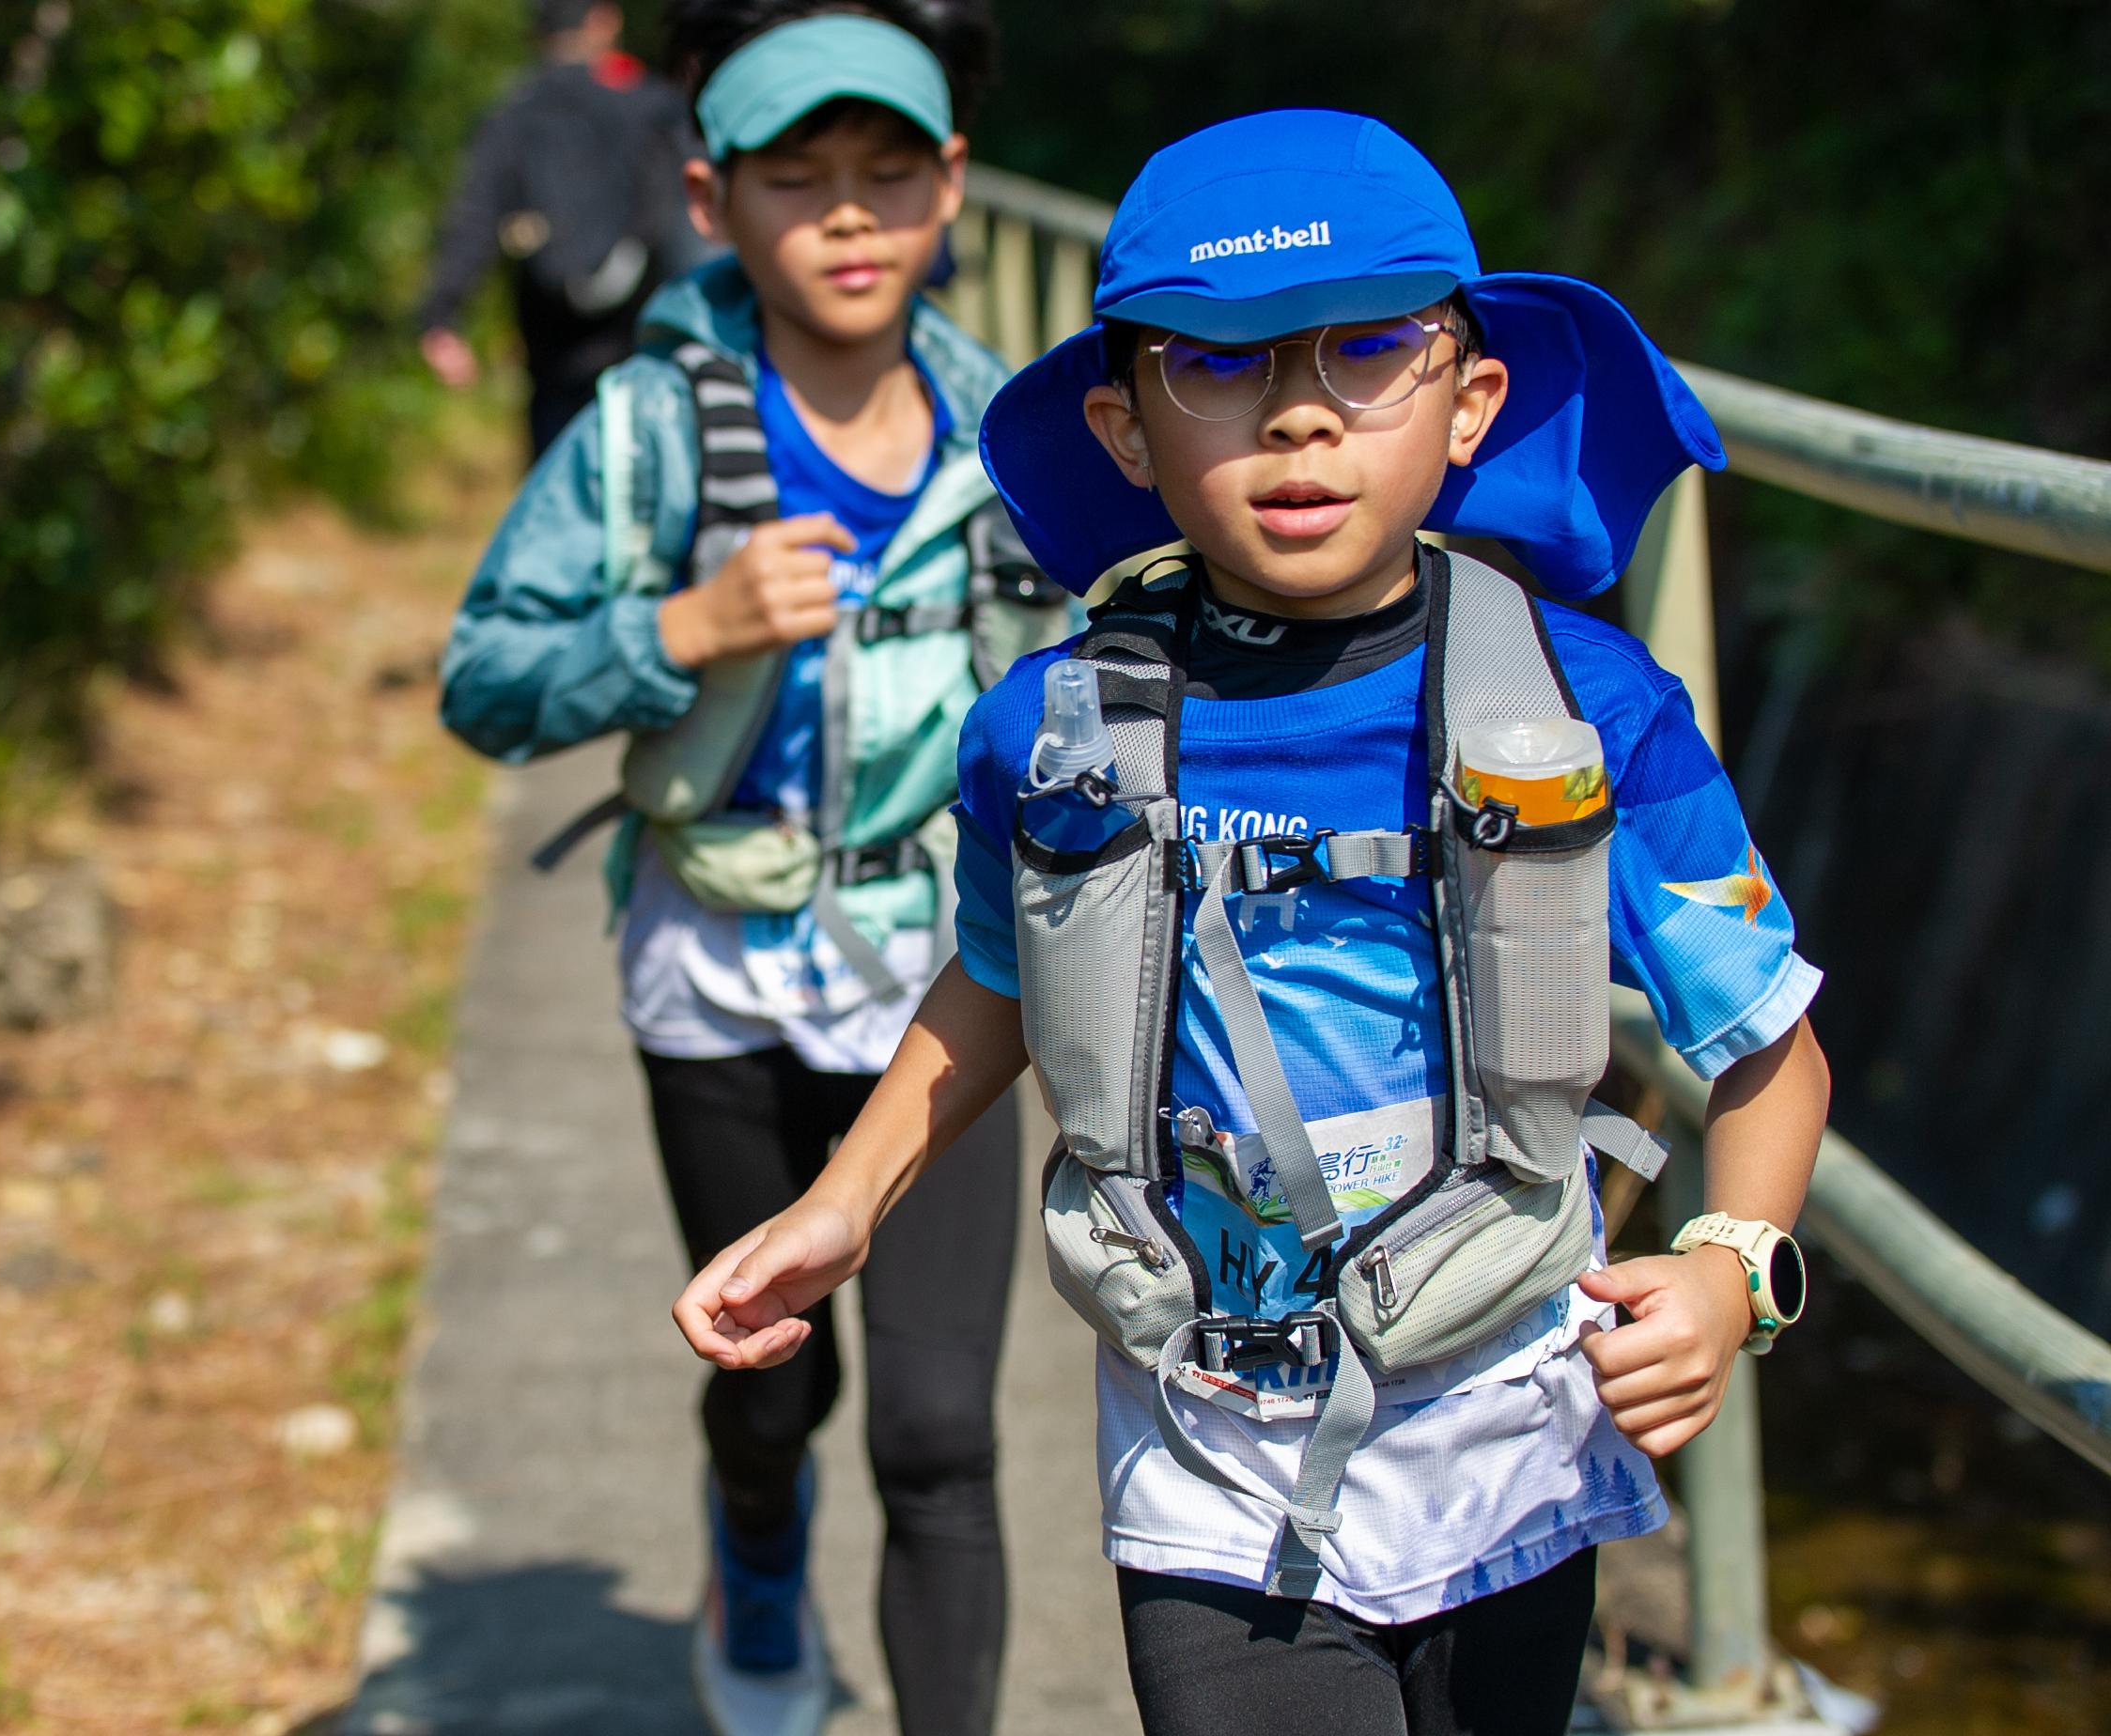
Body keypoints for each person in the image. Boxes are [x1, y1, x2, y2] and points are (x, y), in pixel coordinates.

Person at [673, 110, 1834, 1735]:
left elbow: (1767, 1049)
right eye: (1210, 366)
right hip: (1204, 1428)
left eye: (1368, 349)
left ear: (1467, 395)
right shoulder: (1048, 728)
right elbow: (1000, 978)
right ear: (1122, 425)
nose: (1297, 413)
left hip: (1506, 1407)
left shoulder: (1583, 709)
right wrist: (844, 1199)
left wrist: (1727, 1268)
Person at [440, 4, 1066, 1730]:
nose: (849, 217)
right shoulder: (647, 431)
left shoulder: (1017, 435)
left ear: (951, 184)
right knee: (769, 1388)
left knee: (939, 1431)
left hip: (942, 981)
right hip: (707, 963)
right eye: (801, 180)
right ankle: (759, 1556)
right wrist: (676, 628)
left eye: (889, 174)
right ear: (713, 202)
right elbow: (482, 676)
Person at [418, 0, 703, 458]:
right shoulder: (652, 106)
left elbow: (474, 215)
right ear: (603, 21)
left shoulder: (515, 110)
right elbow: (690, 221)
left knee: (556, 476)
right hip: (642, 334)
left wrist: (442, 317)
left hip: (552, 344)